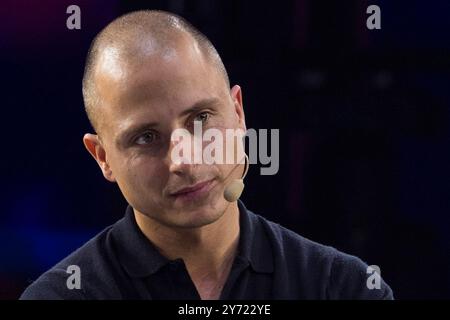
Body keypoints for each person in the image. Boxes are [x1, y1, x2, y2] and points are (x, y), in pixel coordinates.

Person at [20, 10, 393, 300]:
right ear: (102, 157)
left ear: (238, 112)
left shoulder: (344, 288)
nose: (185, 160)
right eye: (146, 137)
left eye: (200, 118)